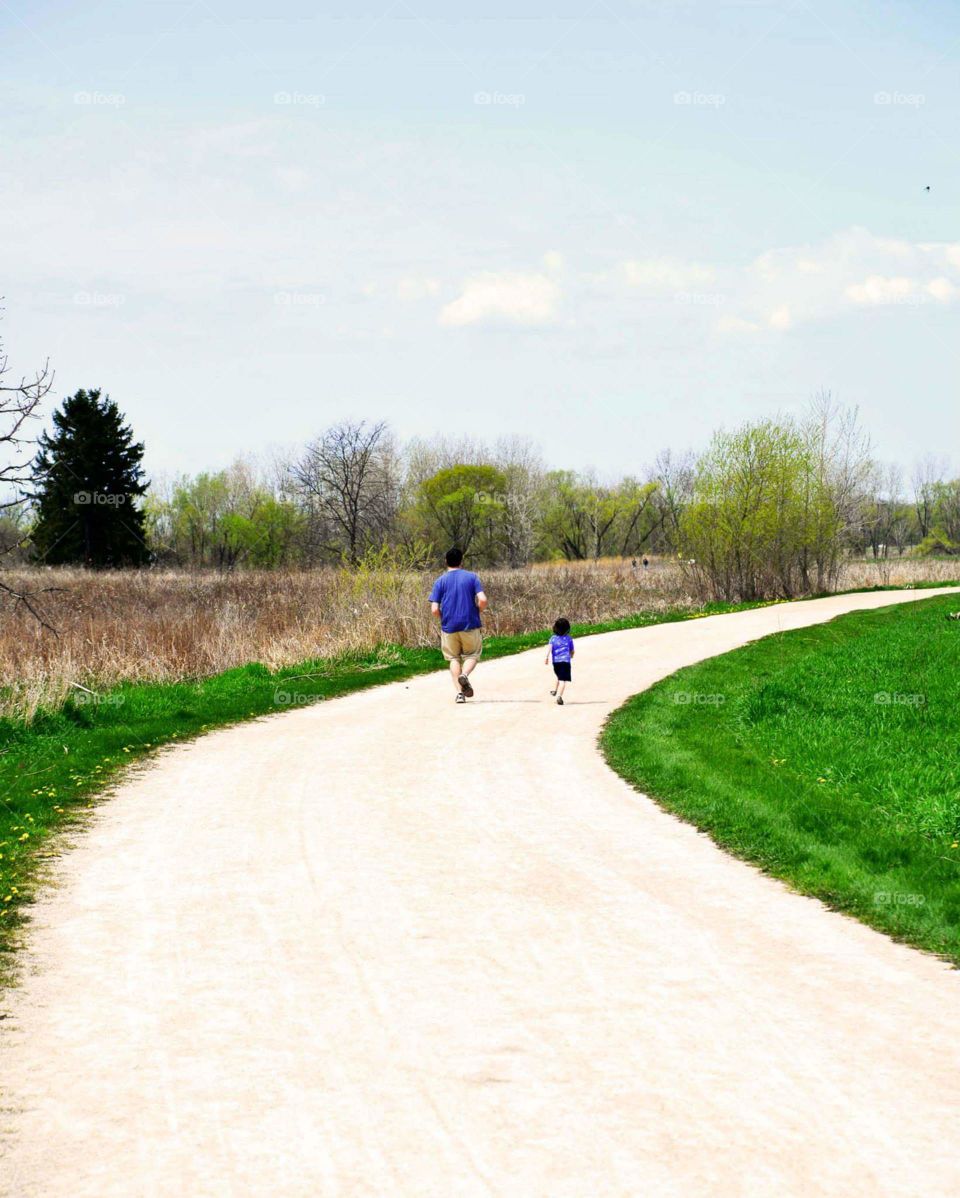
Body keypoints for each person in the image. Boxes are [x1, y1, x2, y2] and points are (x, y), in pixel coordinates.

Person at [429, 546, 487, 703]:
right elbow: (483, 599)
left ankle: (460, 694)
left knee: (453, 658)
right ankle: (465, 675)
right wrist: (477, 611)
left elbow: (434, 609)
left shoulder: (440, 581)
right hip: (470, 623)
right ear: (462, 561)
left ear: (446, 561)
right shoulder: (472, 577)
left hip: (449, 626)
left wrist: (444, 618)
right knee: (472, 654)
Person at [545, 617, 574, 705]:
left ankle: (554, 690)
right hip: (565, 662)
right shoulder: (569, 638)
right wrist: (571, 656)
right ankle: (559, 697)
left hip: (556, 662)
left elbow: (549, 649)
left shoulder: (553, 638)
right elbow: (572, 651)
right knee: (562, 680)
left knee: (558, 675)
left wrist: (546, 658)